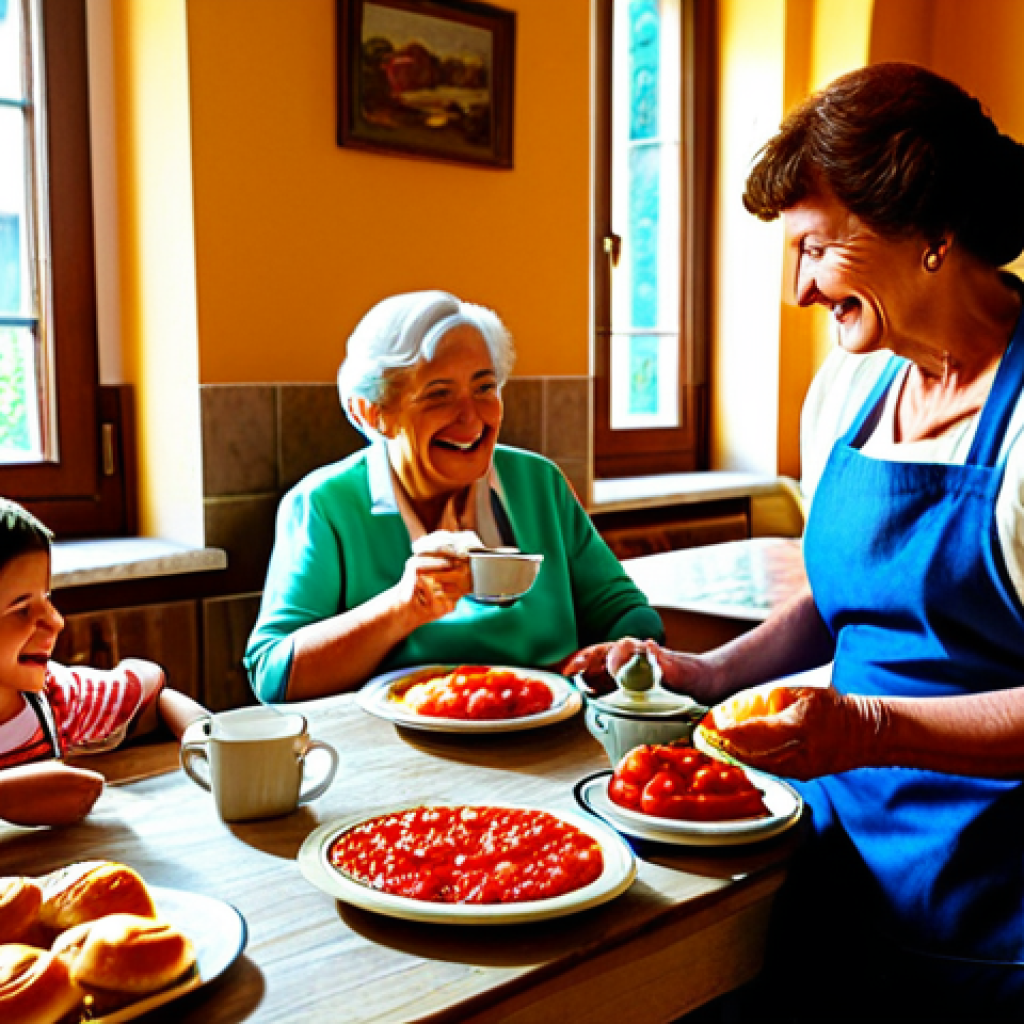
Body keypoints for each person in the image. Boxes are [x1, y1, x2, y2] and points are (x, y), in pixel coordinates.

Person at [598, 64, 1024, 1022]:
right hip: (828, 866)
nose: (798, 291)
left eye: (817, 250)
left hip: (993, 920)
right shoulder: (846, 390)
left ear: (934, 236)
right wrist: (706, 673)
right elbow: (848, 597)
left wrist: (865, 727)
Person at [244, 290, 663, 703]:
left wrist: (624, 649)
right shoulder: (325, 505)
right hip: (393, 758)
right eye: (438, 394)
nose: (470, 417)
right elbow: (275, 676)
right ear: (371, 413)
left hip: (552, 739)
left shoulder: (538, 483)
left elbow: (626, 610)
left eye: (484, 388)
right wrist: (403, 607)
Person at [0, 499, 207, 827]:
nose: (54, 622)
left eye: (48, 600)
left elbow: (154, 692)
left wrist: (205, 736)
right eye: (22, 608)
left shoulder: (59, 700)